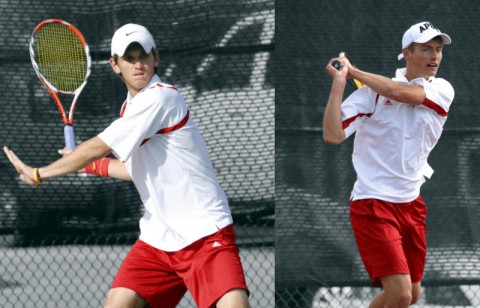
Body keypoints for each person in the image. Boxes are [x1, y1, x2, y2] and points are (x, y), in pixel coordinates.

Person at [4, 23, 250, 308]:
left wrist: (40, 173)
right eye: (129, 58)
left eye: (143, 56)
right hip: (158, 238)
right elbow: (134, 170)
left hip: (205, 233)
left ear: (155, 57)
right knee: (118, 303)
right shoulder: (129, 108)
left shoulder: (163, 96)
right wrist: (86, 166)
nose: (138, 64)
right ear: (115, 65)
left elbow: (98, 146)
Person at [323, 21, 453, 307]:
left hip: (412, 204)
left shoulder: (442, 89)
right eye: (426, 49)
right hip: (373, 205)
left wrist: (353, 71)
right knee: (401, 294)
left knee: (412, 295)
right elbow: (333, 135)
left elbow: (404, 94)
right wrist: (339, 83)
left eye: (438, 50)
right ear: (406, 53)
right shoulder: (371, 95)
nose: (434, 57)